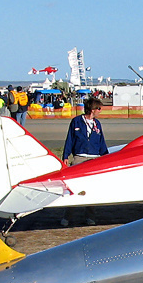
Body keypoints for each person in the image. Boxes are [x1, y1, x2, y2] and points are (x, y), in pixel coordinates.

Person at [60, 97, 108, 226]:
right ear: (92, 109)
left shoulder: (97, 124)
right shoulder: (76, 122)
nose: (100, 111)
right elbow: (69, 139)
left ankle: (90, 217)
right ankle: (67, 217)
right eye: (98, 109)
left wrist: (106, 158)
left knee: (91, 188)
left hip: (94, 158)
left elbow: (101, 142)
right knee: (75, 187)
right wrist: (66, 155)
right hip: (79, 157)